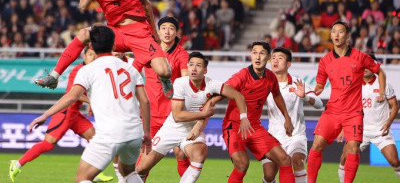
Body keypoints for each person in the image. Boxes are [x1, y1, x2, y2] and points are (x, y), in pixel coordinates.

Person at [34, 0, 173, 99]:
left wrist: (154, 33)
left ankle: (165, 79)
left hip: (138, 31)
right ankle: (54, 76)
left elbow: (146, 4)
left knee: (164, 71)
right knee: (83, 33)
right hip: (115, 33)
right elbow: (82, 6)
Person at [28, 25, 151, 183]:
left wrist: (45, 115)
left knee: (82, 178)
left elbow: (72, 97)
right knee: (129, 173)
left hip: (110, 133)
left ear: (90, 46)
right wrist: (146, 133)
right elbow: (145, 101)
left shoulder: (88, 70)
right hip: (135, 131)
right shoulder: (130, 68)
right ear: (114, 45)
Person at [136, 52, 252, 183]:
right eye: (191, 65)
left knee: (199, 154)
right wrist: (204, 114)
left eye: (198, 65)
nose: (193, 68)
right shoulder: (180, 83)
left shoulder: (212, 84)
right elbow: (177, 116)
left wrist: (243, 117)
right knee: (141, 169)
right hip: (171, 129)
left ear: (205, 70)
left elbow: (237, 95)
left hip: (191, 131)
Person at [9, 48, 113, 183]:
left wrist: (90, 105)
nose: (93, 58)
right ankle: (17, 164)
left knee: (94, 140)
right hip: (66, 111)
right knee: (49, 143)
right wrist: (92, 101)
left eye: (95, 55)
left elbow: (89, 91)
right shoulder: (78, 70)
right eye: (90, 55)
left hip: (75, 114)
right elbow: (74, 94)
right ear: (84, 56)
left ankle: (93, 173)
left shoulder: (92, 71)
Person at [307, 21, 386, 183]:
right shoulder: (325, 61)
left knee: (353, 148)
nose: (336, 35)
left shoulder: (360, 56)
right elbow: (320, 85)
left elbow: (380, 72)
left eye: (340, 31)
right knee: (317, 144)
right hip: (332, 111)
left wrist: (382, 92)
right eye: (333, 31)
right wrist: (313, 91)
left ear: (348, 35)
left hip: (353, 112)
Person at [209, 41, 296, 183]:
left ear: (268, 57)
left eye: (261, 53)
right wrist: (212, 102)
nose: (257, 57)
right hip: (234, 126)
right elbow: (225, 89)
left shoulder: (270, 77)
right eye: (254, 53)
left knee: (285, 159)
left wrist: (287, 117)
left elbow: (277, 94)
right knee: (242, 164)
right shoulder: (242, 75)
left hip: (254, 127)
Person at [262, 47, 323, 183]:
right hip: (273, 137)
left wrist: (306, 96)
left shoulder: (297, 83)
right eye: (273, 58)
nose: (275, 61)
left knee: (297, 161)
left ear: (288, 64)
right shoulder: (264, 83)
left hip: (296, 136)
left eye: (280, 58)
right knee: (269, 175)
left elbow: (319, 104)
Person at [337, 54, 400, 183]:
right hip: (359, 130)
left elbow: (395, 106)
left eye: (369, 64)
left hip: (380, 131)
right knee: (344, 158)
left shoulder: (384, 85)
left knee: (394, 161)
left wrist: (388, 123)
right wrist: (344, 128)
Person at [144, 16, 191, 177]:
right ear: (158, 31)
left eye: (171, 28)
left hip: (172, 114)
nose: (167, 31)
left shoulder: (182, 54)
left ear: (177, 33)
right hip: (150, 113)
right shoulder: (150, 50)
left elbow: (186, 78)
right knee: (145, 158)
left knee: (181, 154)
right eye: (164, 27)